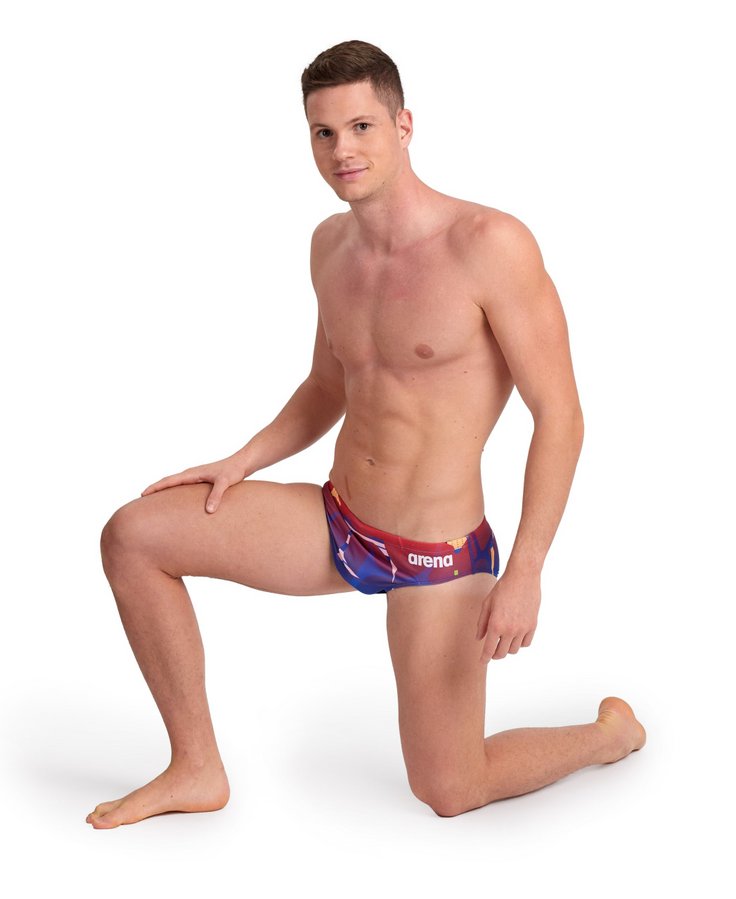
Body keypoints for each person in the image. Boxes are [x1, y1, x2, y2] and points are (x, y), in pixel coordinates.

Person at [87, 40, 645, 829]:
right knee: (135, 535)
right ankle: (196, 766)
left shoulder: (489, 245)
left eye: (360, 126)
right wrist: (240, 460)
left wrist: (526, 569)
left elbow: (561, 414)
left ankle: (608, 736)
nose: (342, 150)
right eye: (323, 132)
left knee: (450, 788)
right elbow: (328, 386)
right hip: (338, 519)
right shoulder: (330, 246)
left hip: (436, 555)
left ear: (403, 124)